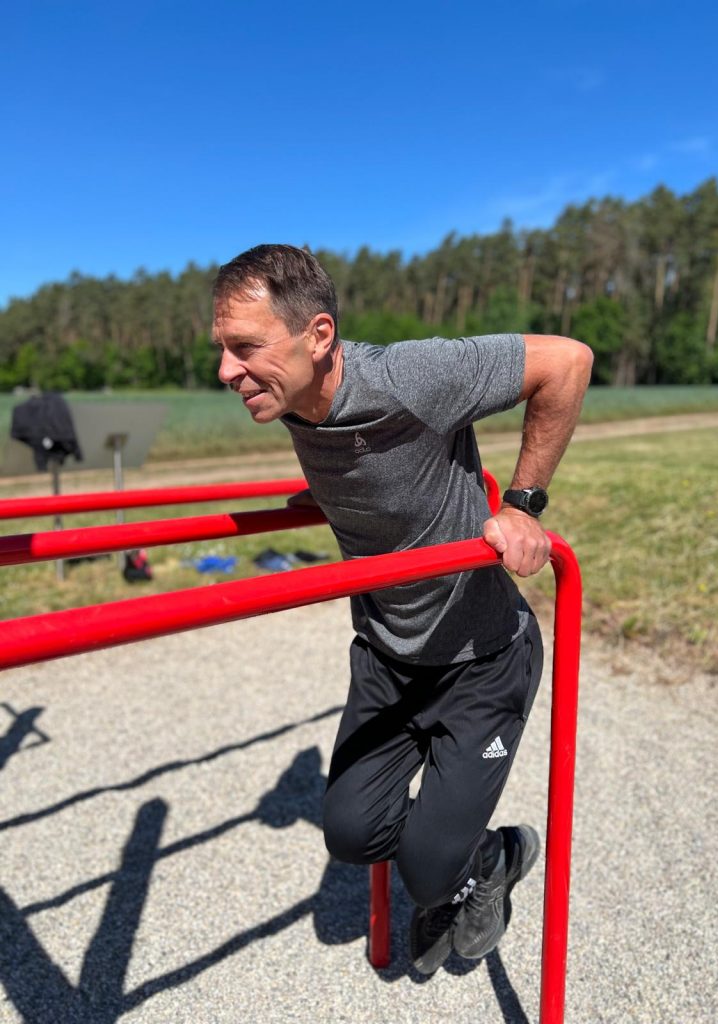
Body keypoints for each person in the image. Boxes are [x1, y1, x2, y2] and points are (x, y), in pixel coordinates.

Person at [212, 244, 593, 974]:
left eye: (245, 348)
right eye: (222, 350)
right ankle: (448, 850)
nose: (227, 370)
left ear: (319, 336)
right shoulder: (289, 395)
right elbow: (369, 464)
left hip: (481, 659)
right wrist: (330, 498)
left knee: (426, 871)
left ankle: (495, 856)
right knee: (350, 835)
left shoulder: (411, 376)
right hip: (387, 658)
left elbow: (567, 361)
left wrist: (521, 505)